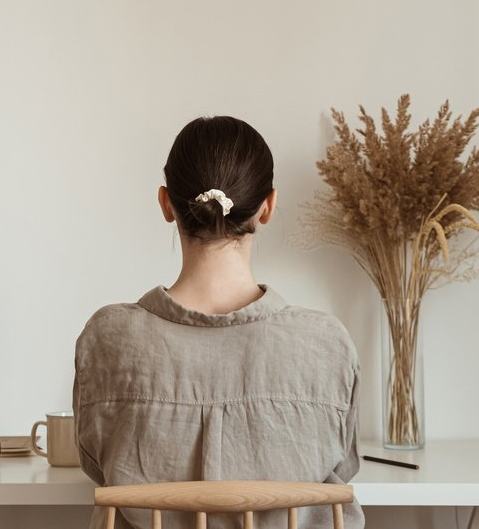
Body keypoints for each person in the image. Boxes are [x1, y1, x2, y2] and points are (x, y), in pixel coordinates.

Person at [73, 116, 364, 529]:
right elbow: (345, 467)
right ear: (267, 207)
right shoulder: (327, 344)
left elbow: (96, 466)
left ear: (166, 205)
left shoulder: (108, 337)